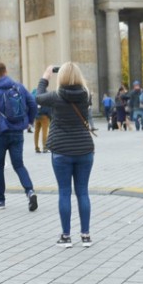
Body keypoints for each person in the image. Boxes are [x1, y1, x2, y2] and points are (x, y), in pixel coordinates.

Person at [37, 63, 95, 247]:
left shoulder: (56, 96)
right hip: (84, 149)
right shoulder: (86, 95)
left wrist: (46, 76)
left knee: (64, 192)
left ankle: (66, 236)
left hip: (61, 150)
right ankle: (85, 235)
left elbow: (38, 97)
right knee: (83, 192)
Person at [0, 62, 38, 211]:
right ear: (6, 71)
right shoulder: (18, 86)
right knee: (19, 165)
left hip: (0, 133)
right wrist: (29, 122)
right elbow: (32, 103)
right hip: (17, 132)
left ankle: (0, 200)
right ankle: (30, 191)